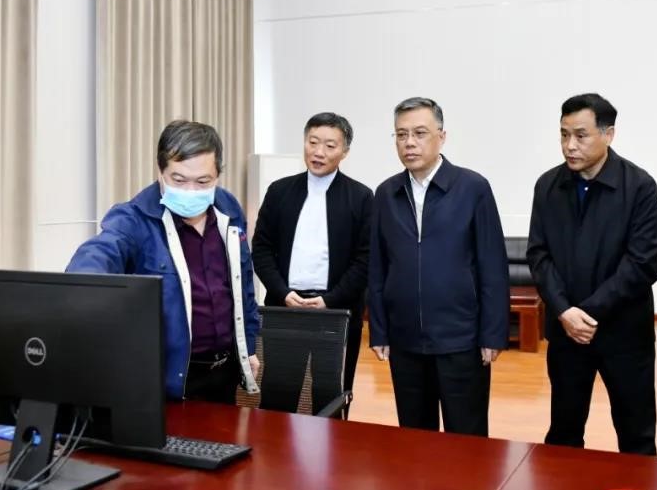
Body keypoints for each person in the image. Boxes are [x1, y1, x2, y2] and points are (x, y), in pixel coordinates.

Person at [66, 120, 261, 403]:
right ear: (160, 172)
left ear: (218, 174)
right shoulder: (134, 218)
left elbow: (243, 282)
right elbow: (101, 251)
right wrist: (83, 284)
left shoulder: (228, 208)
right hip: (170, 375)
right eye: (178, 180)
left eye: (203, 181)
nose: (191, 191)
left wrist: (249, 345)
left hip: (225, 370)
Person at [526, 93, 657, 455]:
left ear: (609, 134)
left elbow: (643, 263)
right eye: (563, 135)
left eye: (581, 135)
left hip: (624, 333)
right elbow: (538, 255)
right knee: (564, 432)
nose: (569, 146)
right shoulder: (547, 186)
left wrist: (586, 313)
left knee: (636, 435)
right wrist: (563, 311)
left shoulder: (639, 186)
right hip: (566, 332)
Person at [367, 97, 509, 437]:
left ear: (442, 137)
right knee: (415, 439)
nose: (409, 143)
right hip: (405, 341)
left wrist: (492, 334)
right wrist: (380, 331)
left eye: (420, 133)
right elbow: (378, 267)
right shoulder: (386, 193)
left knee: (467, 440)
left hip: (461, 339)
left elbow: (492, 265)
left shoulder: (473, 188)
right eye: (401, 134)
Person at [252, 112, 373, 415]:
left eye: (330, 146)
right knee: (278, 394)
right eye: (313, 142)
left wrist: (330, 299)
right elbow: (262, 249)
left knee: (329, 398)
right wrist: (282, 292)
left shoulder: (361, 197)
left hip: (336, 314)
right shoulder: (279, 191)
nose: (319, 152)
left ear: (345, 151)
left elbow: (365, 259)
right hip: (285, 309)